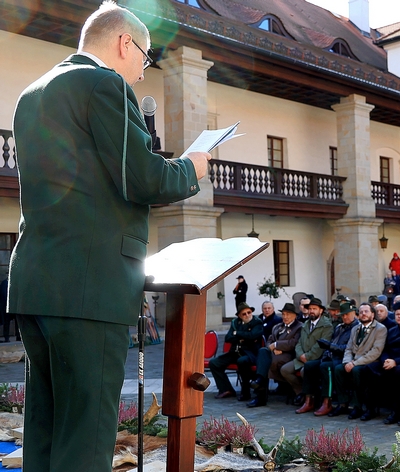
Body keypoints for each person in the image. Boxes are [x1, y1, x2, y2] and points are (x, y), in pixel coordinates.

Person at [6, 3, 212, 471]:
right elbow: (144, 179)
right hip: (90, 285)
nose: (142, 71)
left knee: (46, 429)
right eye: (144, 56)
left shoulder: (33, 92)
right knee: (86, 439)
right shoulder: (104, 84)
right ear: (124, 43)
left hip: (37, 281)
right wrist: (193, 167)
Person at [296, 302, 358, 415]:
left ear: (354, 313)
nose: (344, 317)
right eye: (343, 315)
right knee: (309, 365)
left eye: (347, 314)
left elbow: (349, 348)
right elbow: (332, 342)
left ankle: (327, 402)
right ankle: (309, 400)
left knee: (326, 367)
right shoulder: (339, 327)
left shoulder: (356, 328)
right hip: (331, 356)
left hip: (343, 359)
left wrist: (330, 346)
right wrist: (327, 350)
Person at [330, 303, 387, 419]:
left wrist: (354, 363)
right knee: (338, 369)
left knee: (356, 371)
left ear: (372, 314)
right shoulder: (355, 329)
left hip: (370, 362)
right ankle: (343, 403)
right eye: (361, 312)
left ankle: (358, 406)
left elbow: (376, 351)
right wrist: (347, 362)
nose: (363, 314)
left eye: (366, 311)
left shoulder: (380, 329)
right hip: (353, 361)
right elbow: (348, 348)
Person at [281, 297, 333, 405]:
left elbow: (322, 345)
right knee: (285, 370)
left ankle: (311, 397)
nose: (311, 311)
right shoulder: (305, 324)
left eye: (314, 309)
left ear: (321, 310)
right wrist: (300, 355)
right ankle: (301, 392)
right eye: (310, 309)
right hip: (302, 358)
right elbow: (299, 343)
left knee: (304, 372)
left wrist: (308, 357)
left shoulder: (327, 325)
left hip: (316, 359)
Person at [248, 303, 302, 407]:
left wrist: (277, 345)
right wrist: (272, 348)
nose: (285, 317)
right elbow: (269, 340)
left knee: (264, 363)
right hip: (275, 355)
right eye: (283, 314)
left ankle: (259, 389)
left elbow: (293, 343)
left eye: (288, 314)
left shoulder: (299, 327)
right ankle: (260, 385)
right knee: (263, 352)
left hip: (289, 355)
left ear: (295, 315)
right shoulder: (277, 327)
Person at [211, 303, 264, 401]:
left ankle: (245, 392)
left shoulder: (257, 322)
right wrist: (242, 338)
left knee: (242, 361)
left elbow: (253, 335)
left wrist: (237, 333)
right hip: (235, 352)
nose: (247, 315)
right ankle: (226, 389)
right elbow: (228, 338)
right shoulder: (235, 322)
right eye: (244, 314)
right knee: (214, 363)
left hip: (250, 353)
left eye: (249, 312)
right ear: (239, 315)